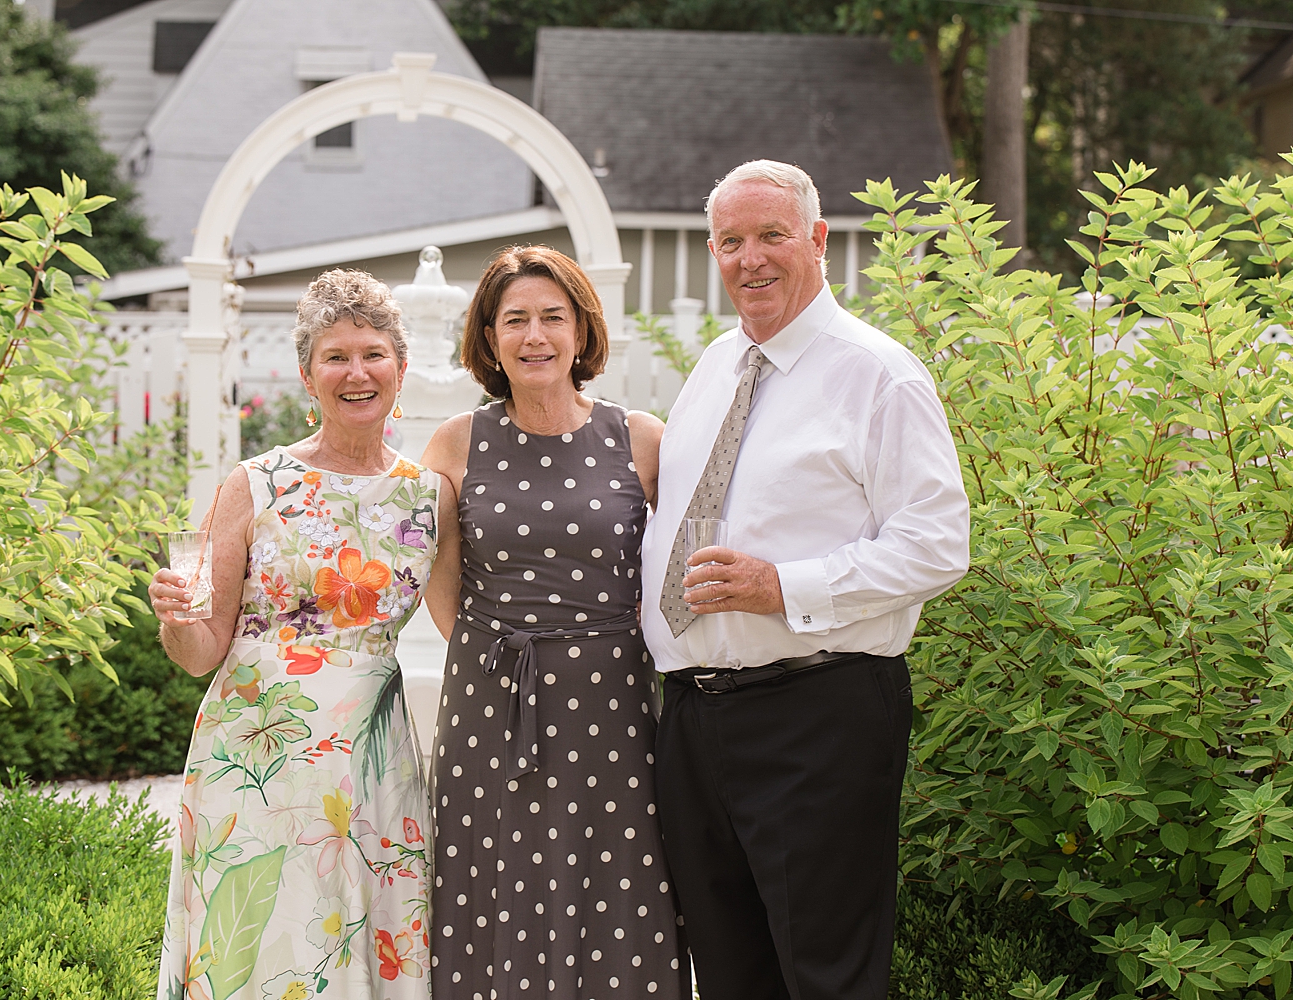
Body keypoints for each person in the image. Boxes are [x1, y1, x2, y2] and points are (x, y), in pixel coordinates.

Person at [641, 160, 971, 1000]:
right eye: (730, 241)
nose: (750, 258)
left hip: (817, 715)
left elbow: (937, 543)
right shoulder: (716, 367)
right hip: (692, 719)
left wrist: (783, 587)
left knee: (828, 978)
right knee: (726, 975)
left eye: (772, 236)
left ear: (818, 241)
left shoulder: (878, 374)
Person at [149, 269, 443, 1000]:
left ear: (401, 370)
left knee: (362, 934)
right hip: (255, 751)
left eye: (373, 354)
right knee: (257, 940)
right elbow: (199, 653)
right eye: (335, 357)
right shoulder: (255, 484)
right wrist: (174, 619)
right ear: (307, 375)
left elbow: (465, 625)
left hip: (373, 761)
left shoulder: (429, 495)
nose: (356, 372)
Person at [421, 246, 691, 1000]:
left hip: (614, 707)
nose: (534, 336)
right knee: (494, 877)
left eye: (552, 317)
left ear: (581, 331)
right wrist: (498, 660)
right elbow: (442, 582)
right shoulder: (455, 442)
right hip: (490, 705)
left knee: (618, 876)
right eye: (515, 320)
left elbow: (674, 568)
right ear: (489, 337)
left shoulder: (639, 438)